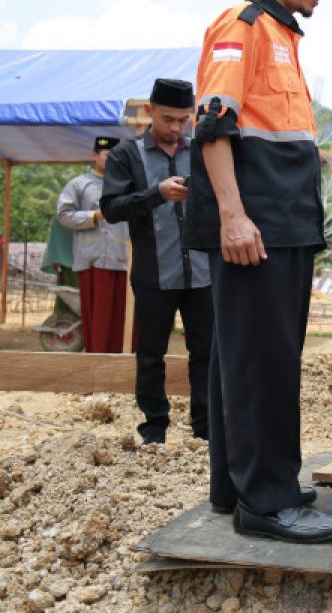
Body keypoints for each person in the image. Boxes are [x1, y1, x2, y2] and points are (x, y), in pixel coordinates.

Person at [186, 0, 332, 544]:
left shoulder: (284, 36)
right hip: (256, 224)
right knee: (265, 362)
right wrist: (233, 216)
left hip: (281, 223)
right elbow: (214, 126)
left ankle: (238, 485)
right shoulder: (244, 26)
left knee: (246, 356)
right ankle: (269, 501)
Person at [101, 79, 212, 445]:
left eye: (184, 120)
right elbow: (111, 208)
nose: (177, 128)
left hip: (202, 273)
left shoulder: (202, 150)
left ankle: (206, 428)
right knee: (150, 354)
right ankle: (154, 427)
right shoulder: (125, 155)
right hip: (153, 274)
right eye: (169, 119)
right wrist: (156, 194)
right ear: (149, 111)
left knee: (207, 353)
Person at [57, 136, 130, 353]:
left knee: (122, 318)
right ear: (95, 155)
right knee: (96, 318)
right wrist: (94, 216)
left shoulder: (129, 186)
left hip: (123, 260)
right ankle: (96, 362)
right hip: (92, 261)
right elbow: (63, 215)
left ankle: (120, 364)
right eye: (108, 155)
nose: (112, 160)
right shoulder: (79, 185)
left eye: (117, 156)